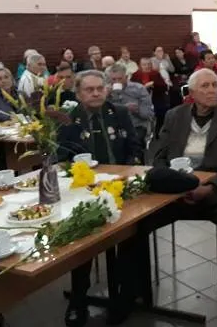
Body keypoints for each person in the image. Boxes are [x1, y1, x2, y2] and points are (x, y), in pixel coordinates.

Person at [151, 68, 217, 321]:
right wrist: (172, 183)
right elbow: (158, 156)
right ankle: (133, 291)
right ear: (191, 92)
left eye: (214, 85)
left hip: (215, 187)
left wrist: (210, 188)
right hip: (175, 188)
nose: (212, 91)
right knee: (134, 221)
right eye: (205, 86)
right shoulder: (174, 116)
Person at [57, 70, 143, 326]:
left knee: (132, 231)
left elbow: (135, 148)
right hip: (84, 191)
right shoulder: (68, 119)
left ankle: (125, 295)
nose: (96, 93)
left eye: (99, 89)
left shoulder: (119, 113)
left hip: (123, 188)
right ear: (78, 93)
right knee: (82, 238)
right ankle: (78, 299)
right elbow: (60, 157)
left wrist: (129, 174)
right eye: (89, 89)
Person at [107, 63, 154, 147]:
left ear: (126, 77)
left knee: (134, 142)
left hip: (136, 125)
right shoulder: (106, 91)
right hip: (115, 126)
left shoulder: (139, 89)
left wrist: (136, 110)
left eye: (120, 79)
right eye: (113, 79)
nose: (117, 82)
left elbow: (148, 115)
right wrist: (105, 97)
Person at [132, 58, 169, 138]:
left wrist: (154, 84)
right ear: (140, 66)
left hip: (156, 98)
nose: (147, 66)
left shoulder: (155, 73)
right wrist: (145, 87)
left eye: (149, 64)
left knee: (161, 111)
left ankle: (157, 132)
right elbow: (132, 90)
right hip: (141, 101)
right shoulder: (135, 75)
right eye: (144, 65)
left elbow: (164, 87)